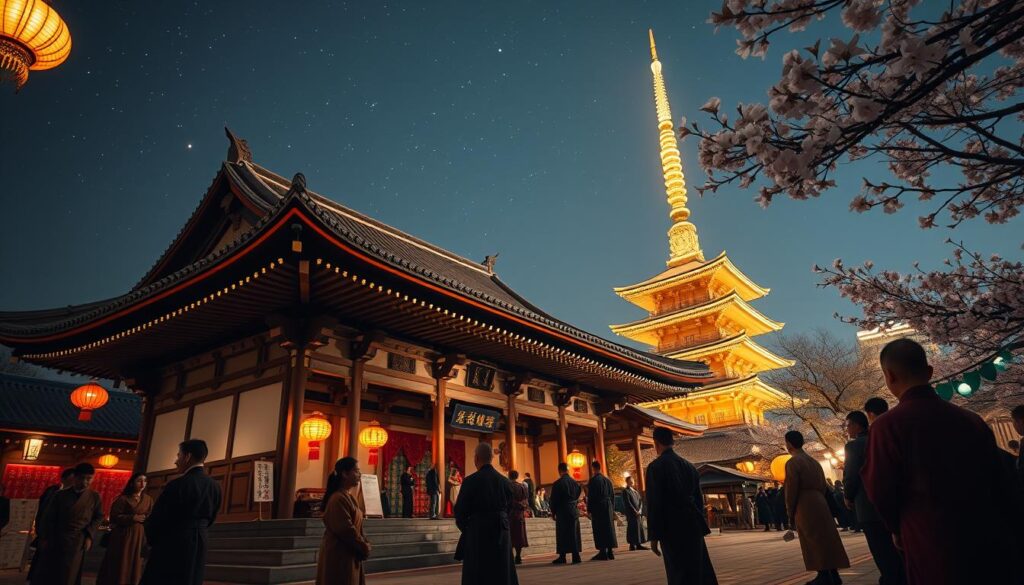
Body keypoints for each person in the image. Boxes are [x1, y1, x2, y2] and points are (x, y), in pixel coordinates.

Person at [862, 339, 1016, 585]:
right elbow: (999, 477)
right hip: (984, 528)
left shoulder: (886, 426)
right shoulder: (971, 419)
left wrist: (895, 527)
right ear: (930, 371)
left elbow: (880, 487)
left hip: (927, 531)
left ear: (888, 376)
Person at [140, 439, 222, 585]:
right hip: (200, 540)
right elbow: (212, 517)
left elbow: (159, 517)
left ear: (187, 456)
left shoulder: (177, 484)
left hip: (174, 540)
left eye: (179, 456)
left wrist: (151, 539)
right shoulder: (215, 486)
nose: (176, 461)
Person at [645, 427, 717, 585]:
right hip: (692, 523)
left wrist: (654, 535)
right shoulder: (689, 466)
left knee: (678, 571)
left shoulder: (655, 467)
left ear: (656, 443)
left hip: (672, 526)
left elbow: (654, 503)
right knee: (698, 568)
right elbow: (699, 500)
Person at [843, 410, 905, 585]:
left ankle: (890, 579)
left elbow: (851, 475)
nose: (847, 429)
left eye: (848, 425)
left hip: (868, 504)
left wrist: (848, 496)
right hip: (893, 500)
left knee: (880, 548)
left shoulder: (854, 446)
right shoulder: (882, 438)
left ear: (856, 425)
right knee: (897, 546)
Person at [783, 430, 849, 585]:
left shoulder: (793, 462)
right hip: (820, 500)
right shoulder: (813, 461)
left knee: (813, 539)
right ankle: (833, 573)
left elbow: (791, 488)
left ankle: (823, 574)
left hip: (805, 503)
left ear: (789, 444)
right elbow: (823, 485)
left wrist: (789, 510)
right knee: (826, 538)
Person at [453, 443, 518, 585]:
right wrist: (502, 519)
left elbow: (460, 512)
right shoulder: (505, 482)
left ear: (476, 458)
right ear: (492, 458)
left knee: (479, 572)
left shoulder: (470, 481)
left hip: (478, 531)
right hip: (501, 528)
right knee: (502, 570)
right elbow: (510, 508)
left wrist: (470, 528)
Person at [33, 462, 104, 585]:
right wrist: (44, 537)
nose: (85, 482)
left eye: (89, 478)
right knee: (50, 571)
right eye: (82, 478)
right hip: (57, 536)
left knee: (70, 572)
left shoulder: (94, 497)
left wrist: (89, 535)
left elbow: (98, 517)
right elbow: (48, 518)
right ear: (75, 477)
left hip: (78, 539)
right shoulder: (60, 495)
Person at [315, 457, 371, 585]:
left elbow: (357, 527)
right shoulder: (337, 499)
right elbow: (345, 529)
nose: (360, 475)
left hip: (350, 551)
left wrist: (364, 541)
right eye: (356, 471)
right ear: (345, 474)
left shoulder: (349, 497)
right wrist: (363, 546)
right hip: (339, 553)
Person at [97, 473, 153, 585]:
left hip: (139, 534)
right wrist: (132, 517)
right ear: (132, 483)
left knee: (135, 562)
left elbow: (150, 516)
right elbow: (114, 517)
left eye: (145, 481)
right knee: (122, 561)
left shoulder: (148, 499)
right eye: (139, 481)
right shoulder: (123, 499)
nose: (142, 484)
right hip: (123, 534)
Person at [28, 467, 75, 583]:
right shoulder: (53, 491)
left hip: (62, 535)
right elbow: (43, 511)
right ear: (64, 479)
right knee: (41, 562)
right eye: (71, 478)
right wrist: (41, 530)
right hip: (47, 531)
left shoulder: (74, 495)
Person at [548, 462, 582, 565]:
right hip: (573, 509)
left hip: (562, 510)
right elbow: (577, 495)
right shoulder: (575, 483)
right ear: (568, 470)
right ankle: (576, 555)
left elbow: (553, 500)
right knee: (574, 533)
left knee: (562, 533)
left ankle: (562, 556)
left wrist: (553, 512)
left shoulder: (558, 483)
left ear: (559, 471)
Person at [586, 460, 617, 561]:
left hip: (598, 507)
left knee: (600, 528)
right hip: (608, 506)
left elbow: (591, 496)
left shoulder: (594, 480)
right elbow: (612, 495)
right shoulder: (607, 480)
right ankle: (610, 552)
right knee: (609, 528)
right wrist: (612, 508)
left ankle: (603, 552)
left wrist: (589, 509)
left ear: (593, 468)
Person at [508, 470, 529, 564]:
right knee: (519, 535)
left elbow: (507, 500)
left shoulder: (507, 486)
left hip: (510, 514)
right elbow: (526, 500)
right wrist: (522, 506)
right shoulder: (522, 486)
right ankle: (518, 556)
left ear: (509, 476)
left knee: (510, 535)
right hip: (520, 514)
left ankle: (510, 556)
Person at [622, 475, 647, 550]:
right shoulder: (625, 491)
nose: (632, 482)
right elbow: (628, 502)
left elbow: (640, 501)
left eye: (632, 480)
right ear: (627, 482)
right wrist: (634, 511)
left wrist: (640, 510)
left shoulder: (635, 491)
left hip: (638, 512)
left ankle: (639, 543)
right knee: (632, 528)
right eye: (630, 480)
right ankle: (632, 544)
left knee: (639, 528)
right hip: (631, 513)